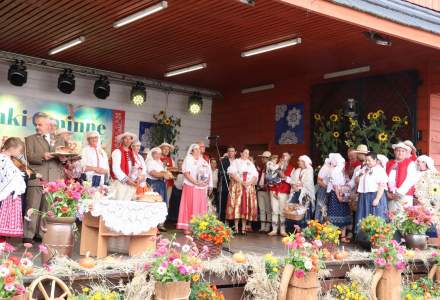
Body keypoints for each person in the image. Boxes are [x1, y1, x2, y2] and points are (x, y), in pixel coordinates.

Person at [24, 113, 65, 241]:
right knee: (32, 206)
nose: (37, 127)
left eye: (39, 124)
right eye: (36, 124)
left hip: (53, 179)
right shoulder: (30, 139)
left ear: (48, 125)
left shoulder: (59, 140)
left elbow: (62, 158)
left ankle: (41, 234)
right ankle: (28, 235)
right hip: (37, 178)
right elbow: (29, 157)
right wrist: (43, 156)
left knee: (47, 208)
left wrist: (64, 158)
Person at [177, 144, 210, 234]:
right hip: (190, 186)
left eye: (199, 149)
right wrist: (194, 181)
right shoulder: (188, 159)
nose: (199, 151)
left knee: (199, 206)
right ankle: (187, 227)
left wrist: (205, 181)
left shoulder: (203, 161)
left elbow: (207, 172)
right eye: (196, 149)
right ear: (192, 151)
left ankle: (199, 226)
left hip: (201, 187)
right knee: (190, 205)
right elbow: (186, 173)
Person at [226, 148, 258, 235]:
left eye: (248, 153)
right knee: (237, 206)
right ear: (241, 153)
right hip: (238, 186)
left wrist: (248, 183)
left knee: (245, 206)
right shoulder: (236, 162)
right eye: (245, 153)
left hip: (247, 187)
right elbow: (231, 173)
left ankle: (243, 228)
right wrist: (241, 181)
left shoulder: (250, 163)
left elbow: (255, 175)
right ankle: (236, 228)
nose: (246, 155)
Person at [0, 138, 27, 241]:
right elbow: (7, 178)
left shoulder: (9, 160)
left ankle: (2, 244)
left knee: (4, 221)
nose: (20, 153)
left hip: (10, 195)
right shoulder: (2, 159)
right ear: (11, 148)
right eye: (19, 151)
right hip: (5, 195)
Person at [354, 152, 388, 233]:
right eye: (366, 160)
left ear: (375, 160)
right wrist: (360, 175)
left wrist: (377, 199)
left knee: (374, 216)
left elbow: (382, 185)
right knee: (363, 215)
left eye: (369, 160)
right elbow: (356, 181)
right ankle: (363, 237)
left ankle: (375, 237)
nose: (367, 162)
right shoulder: (365, 168)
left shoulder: (379, 170)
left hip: (374, 195)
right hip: (364, 195)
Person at [327, 153, 352, 242]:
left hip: (342, 195)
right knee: (334, 216)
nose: (344, 164)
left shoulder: (340, 171)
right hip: (336, 195)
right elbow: (335, 185)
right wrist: (338, 196)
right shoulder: (336, 171)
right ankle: (333, 236)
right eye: (343, 162)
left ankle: (342, 237)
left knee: (343, 216)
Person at [386, 142, 418, 212]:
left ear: (406, 152)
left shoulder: (410, 163)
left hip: (404, 195)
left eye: (403, 151)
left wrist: (399, 193)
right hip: (390, 196)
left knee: (404, 218)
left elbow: (411, 179)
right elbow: (384, 179)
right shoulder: (389, 163)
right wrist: (387, 193)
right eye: (398, 151)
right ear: (394, 151)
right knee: (391, 217)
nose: (400, 153)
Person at [268, 152, 294, 237]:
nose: (283, 157)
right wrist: (273, 191)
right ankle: (274, 230)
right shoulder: (276, 166)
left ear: (289, 157)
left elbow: (292, 181)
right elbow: (270, 178)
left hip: (284, 192)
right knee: (274, 211)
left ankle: (283, 230)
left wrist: (284, 177)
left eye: (286, 155)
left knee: (283, 211)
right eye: (282, 156)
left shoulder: (292, 168)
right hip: (274, 191)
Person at [146, 147, 171, 231]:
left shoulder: (159, 162)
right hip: (153, 184)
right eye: (156, 153)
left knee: (161, 204)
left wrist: (165, 173)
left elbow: (162, 171)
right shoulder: (150, 162)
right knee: (154, 204)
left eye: (160, 154)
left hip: (160, 184)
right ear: (152, 154)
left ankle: (160, 224)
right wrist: (163, 175)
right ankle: (153, 226)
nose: (158, 155)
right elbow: (152, 173)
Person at [289, 155, 315, 229]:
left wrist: (299, 185)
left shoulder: (309, 170)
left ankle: (304, 229)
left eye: (299, 161)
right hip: (296, 192)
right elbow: (292, 181)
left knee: (304, 211)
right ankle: (294, 229)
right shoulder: (297, 170)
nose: (298, 162)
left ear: (304, 162)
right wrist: (294, 186)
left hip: (305, 194)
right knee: (294, 210)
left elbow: (308, 183)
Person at [414, 155, 438, 237]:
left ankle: (431, 240)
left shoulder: (433, 173)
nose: (420, 164)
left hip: (429, 202)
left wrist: (432, 201)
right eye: (418, 162)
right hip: (416, 201)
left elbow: (435, 189)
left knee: (430, 220)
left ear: (427, 163)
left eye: (422, 162)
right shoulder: (416, 174)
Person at [111, 132, 137, 201]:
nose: (128, 141)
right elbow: (115, 168)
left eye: (130, 139)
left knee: (128, 206)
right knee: (119, 204)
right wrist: (126, 179)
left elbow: (133, 167)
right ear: (122, 140)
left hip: (130, 183)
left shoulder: (131, 153)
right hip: (120, 183)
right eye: (126, 138)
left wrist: (134, 178)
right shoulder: (117, 152)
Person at [217, 146, 236, 222]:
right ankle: (221, 222)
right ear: (227, 153)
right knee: (223, 204)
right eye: (229, 151)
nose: (231, 153)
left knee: (233, 205)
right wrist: (228, 174)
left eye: (232, 151)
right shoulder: (223, 161)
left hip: (235, 186)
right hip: (225, 185)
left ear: (235, 152)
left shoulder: (237, 162)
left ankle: (232, 224)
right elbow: (220, 173)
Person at [256, 151, 272, 232]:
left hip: (267, 190)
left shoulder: (270, 167)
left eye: (263, 157)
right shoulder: (262, 167)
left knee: (268, 209)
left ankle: (268, 226)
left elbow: (270, 181)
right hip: (260, 190)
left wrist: (264, 185)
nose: (262, 159)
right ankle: (262, 226)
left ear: (268, 158)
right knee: (262, 208)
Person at [315, 157, 331, 223]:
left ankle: (324, 224)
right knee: (320, 206)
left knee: (325, 208)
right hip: (323, 189)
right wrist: (327, 187)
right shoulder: (325, 168)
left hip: (328, 190)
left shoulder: (331, 168)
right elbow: (319, 181)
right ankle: (317, 223)